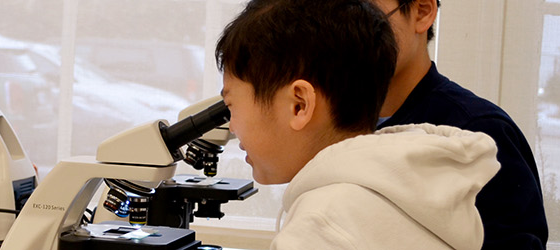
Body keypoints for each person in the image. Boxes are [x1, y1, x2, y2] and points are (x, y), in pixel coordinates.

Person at [214, 0, 501, 248]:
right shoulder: (411, 185)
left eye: (231, 107)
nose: (232, 126)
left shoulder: (321, 226)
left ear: (299, 105)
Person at [369, 0, 548, 248]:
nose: (347, 34)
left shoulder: (479, 132)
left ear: (422, 12)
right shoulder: (324, 123)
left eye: (366, 17)